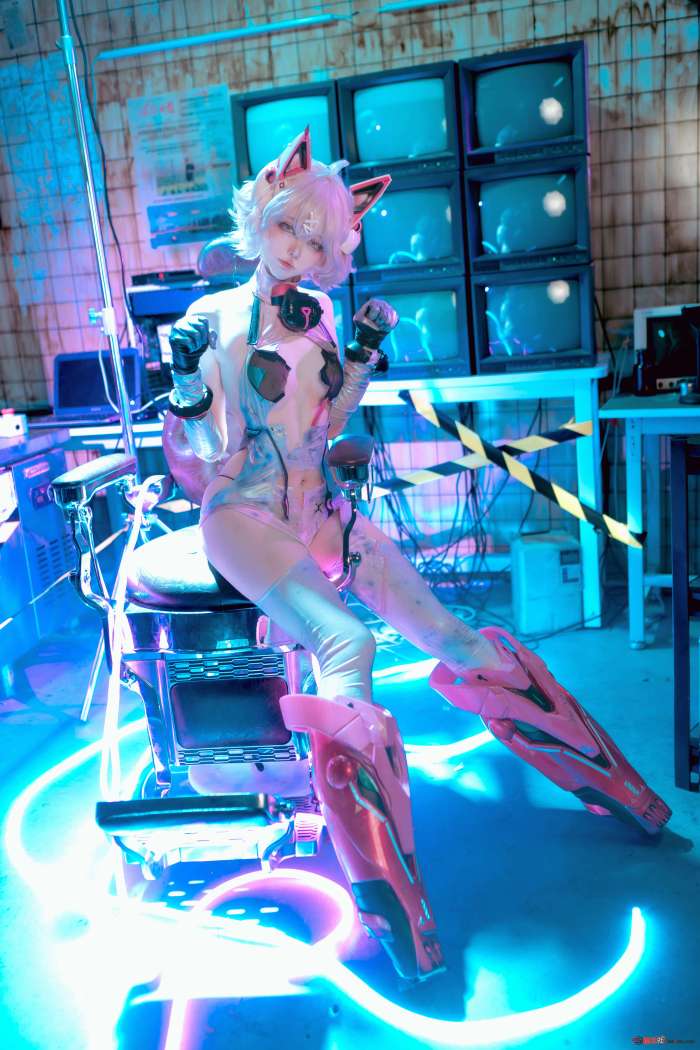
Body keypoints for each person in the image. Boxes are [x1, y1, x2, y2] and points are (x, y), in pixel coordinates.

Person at [166, 128, 671, 982]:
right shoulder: (208, 319)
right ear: (261, 216)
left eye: (320, 242)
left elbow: (327, 421)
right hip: (243, 512)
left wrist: (359, 359)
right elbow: (207, 454)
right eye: (291, 230)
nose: (302, 252)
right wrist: (186, 387)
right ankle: (396, 908)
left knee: (460, 637)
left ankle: (621, 788)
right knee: (347, 643)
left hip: (319, 508)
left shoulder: (319, 315)